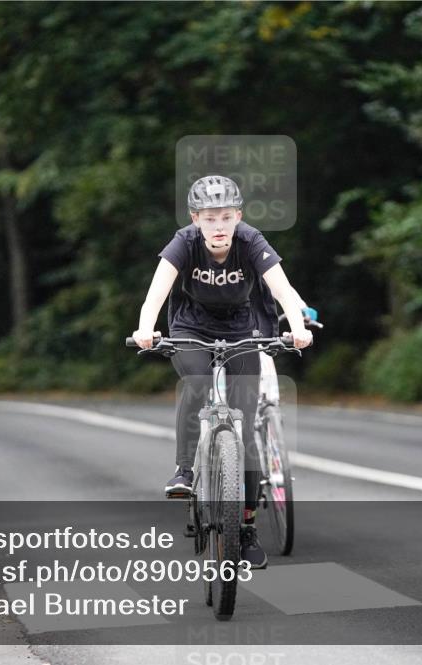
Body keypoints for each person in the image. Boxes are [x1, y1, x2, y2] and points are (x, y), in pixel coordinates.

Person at [131, 175, 313, 568]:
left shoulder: (251, 241)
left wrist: (297, 328)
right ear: (196, 218)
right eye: (210, 218)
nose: (218, 227)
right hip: (191, 327)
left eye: (226, 218)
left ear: (238, 217)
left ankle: (245, 529)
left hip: (242, 328)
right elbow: (156, 292)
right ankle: (183, 471)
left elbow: (281, 289)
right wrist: (146, 328)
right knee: (196, 382)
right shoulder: (183, 243)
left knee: (245, 430)